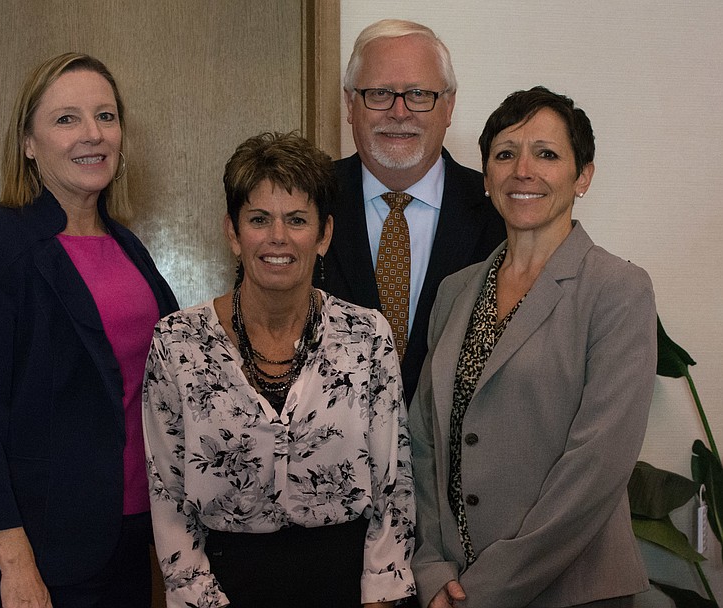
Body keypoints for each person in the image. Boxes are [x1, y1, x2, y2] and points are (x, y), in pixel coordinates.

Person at [0, 53, 178, 607]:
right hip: (27, 555)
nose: (93, 134)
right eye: (67, 119)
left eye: (106, 116)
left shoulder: (129, 249)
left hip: (126, 541)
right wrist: (15, 567)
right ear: (28, 143)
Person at [142, 132, 415, 608]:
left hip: (344, 583)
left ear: (324, 234)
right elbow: (166, 492)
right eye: (259, 219)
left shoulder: (367, 336)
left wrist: (380, 595)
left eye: (297, 220)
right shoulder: (177, 343)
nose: (278, 237)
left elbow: (394, 482)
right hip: (224, 586)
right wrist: (200, 599)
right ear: (233, 232)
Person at [410, 86, 657, 608]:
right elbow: (425, 437)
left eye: (547, 154)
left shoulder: (616, 289)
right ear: (486, 177)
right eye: (505, 154)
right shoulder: (456, 290)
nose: (523, 170)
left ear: (583, 176)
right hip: (452, 587)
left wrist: (490, 589)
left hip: (574, 592)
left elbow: (596, 467)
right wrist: (432, 565)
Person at [322, 19, 506, 406]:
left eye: (419, 94)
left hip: (453, 460)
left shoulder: (500, 212)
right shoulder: (308, 202)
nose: (399, 112)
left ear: (449, 105)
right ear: (350, 105)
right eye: (380, 93)